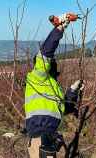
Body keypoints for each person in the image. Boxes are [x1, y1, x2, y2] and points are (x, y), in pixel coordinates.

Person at [24, 14, 82, 158]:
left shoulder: (52, 85)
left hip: (52, 138)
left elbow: (64, 107)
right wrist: (59, 29)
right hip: (40, 137)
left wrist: (73, 92)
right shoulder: (38, 77)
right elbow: (45, 53)